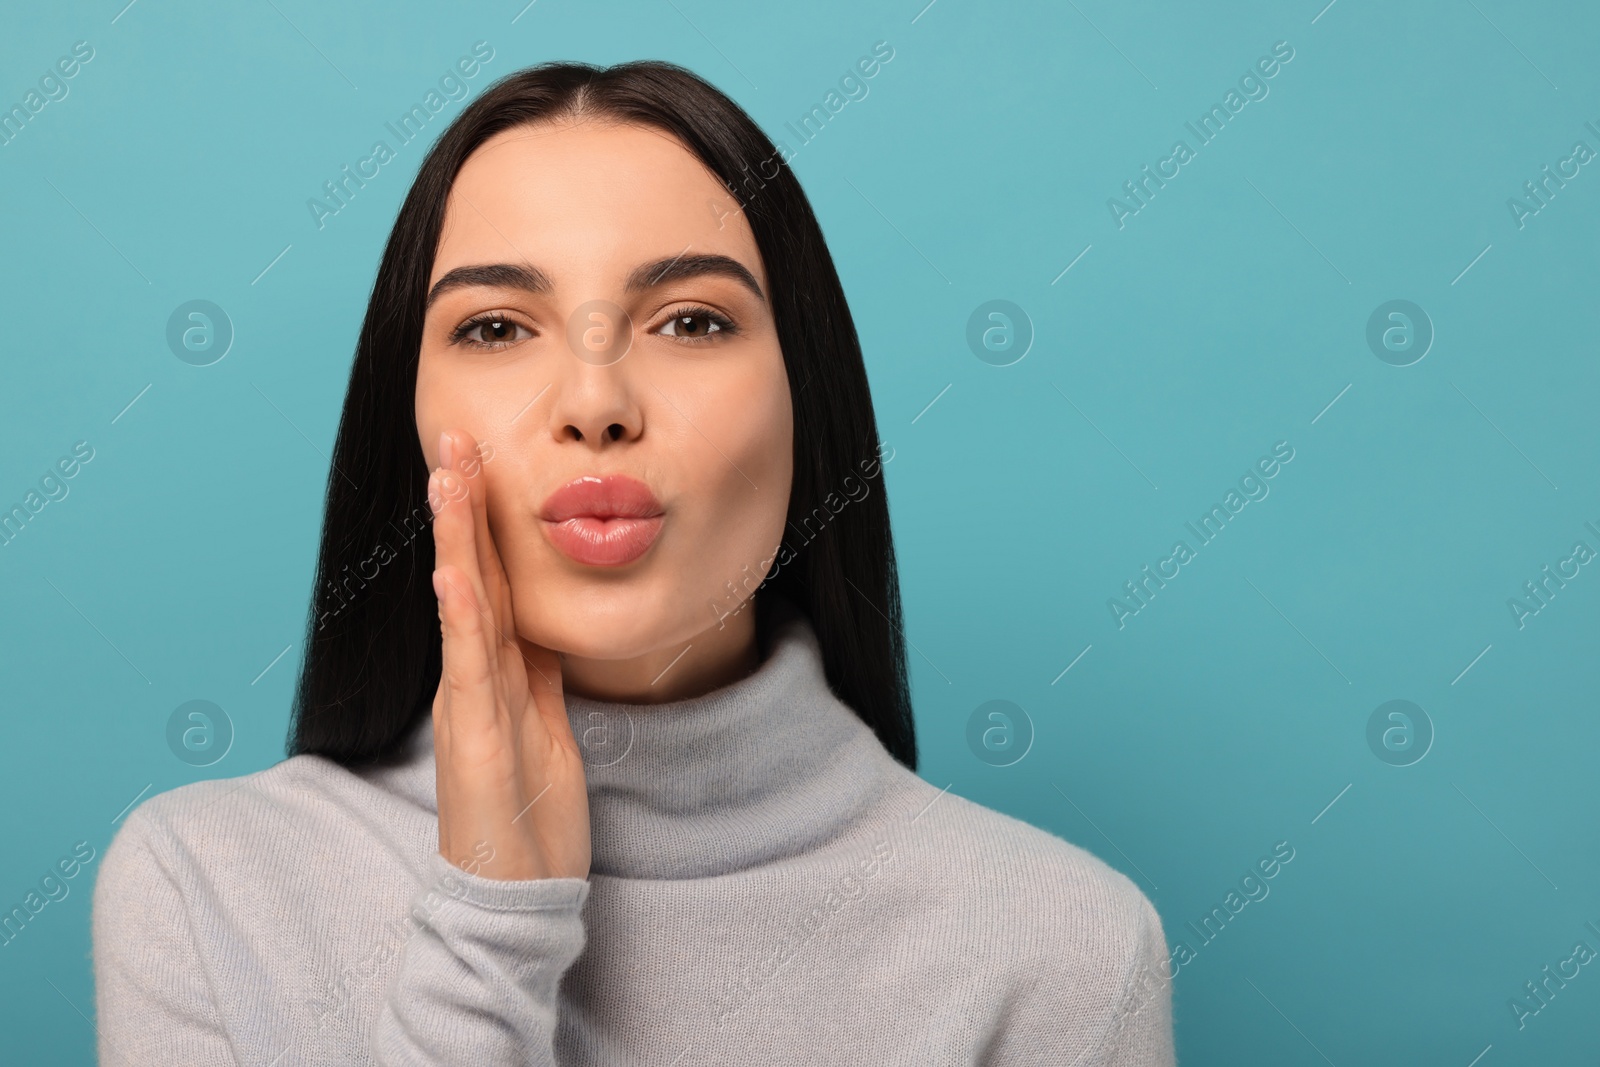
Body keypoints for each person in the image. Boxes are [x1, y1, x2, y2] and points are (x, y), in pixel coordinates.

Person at [92, 60, 1175, 1065]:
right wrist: (490, 926)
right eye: (497, 327)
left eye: (693, 320)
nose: (597, 405)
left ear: (807, 400)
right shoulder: (207, 892)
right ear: (405, 414)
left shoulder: (1061, 947)